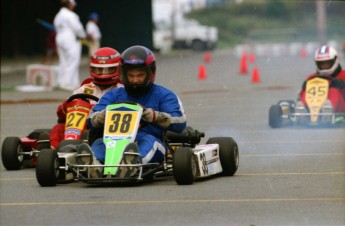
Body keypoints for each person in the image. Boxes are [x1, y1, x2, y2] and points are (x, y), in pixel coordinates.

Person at [78, 45, 187, 177]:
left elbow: (180, 122)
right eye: (131, 75)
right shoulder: (113, 95)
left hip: (149, 138)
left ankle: (132, 163)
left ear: (150, 73)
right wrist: (101, 116)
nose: (135, 80)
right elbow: (90, 119)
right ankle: (93, 165)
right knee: (100, 143)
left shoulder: (164, 95)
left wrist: (154, 116)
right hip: (113, 140)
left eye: (140, 75)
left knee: (149, 142)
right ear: (123, 74)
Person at [49, 47, 123, 149]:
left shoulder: (121, 90)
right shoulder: (84, 89)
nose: (103, 74)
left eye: (109, 69)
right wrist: (67, 105)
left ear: (118, 69)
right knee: (58, 128)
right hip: (81, 128)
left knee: (92, 133)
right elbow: (62, 115)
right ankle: (56, 153)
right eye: (99, 69)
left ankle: (81, 150)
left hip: (105, 128)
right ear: (92, 69)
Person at [298, 45, 345, 113]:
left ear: (335, 60)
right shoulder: (311, 78)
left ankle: (327, 110)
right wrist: (304, 88)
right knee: (308, 89)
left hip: (340, 110)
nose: (325, 66)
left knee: (333, 90)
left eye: (327, 63)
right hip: (314, 107)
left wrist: (342, 86)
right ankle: (301, 112)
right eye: (322, 64)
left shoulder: (343, 75)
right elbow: (299, 96)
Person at [54, 0, 86, 91]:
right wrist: (83, 36)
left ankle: (63, 82)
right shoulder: (71, 15)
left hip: (60, 37)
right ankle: (67, 83)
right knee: (73, 60)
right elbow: (78, 28)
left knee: (63, 60)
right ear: (70, 5)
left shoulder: (58, 15)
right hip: (70, 38)